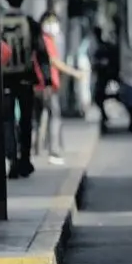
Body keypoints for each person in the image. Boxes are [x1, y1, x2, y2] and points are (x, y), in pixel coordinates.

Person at [33, 11, 86, 165]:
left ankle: (36, 148)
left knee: (38, 118)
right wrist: (75, 73)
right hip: (47, 85)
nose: (53, 25)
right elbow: (55, 62)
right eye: (50, 21)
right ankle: (53, 150)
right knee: (53, 116)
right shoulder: (46, 41)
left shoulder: (39, 39)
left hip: (38, 84)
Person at [1, 3, 44, 179]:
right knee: (26, 121)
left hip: (3, 80)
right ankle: (25, 160)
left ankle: (11, 160)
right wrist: (46, 79)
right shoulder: (30, 22)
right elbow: (41, 51)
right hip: (25, 79)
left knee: (7, 122)